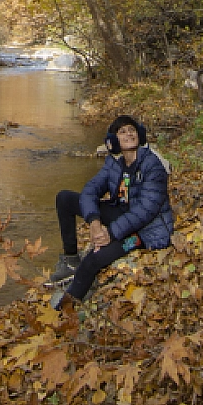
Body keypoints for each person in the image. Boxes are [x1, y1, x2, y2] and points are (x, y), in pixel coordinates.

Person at [48, 115, 173, 310]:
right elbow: (90, 190)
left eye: (131, 130)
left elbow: (145, 211)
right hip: (122, 215)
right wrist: (94, 221)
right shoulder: (114, 163)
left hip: (145, 232)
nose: (129, 134)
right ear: (113, 141)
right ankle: (70, 261)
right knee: (65, 198)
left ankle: (65, 312)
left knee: (93, 260)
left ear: (139, 134)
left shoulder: (152, 165)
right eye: (122, 132)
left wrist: (111, 233)